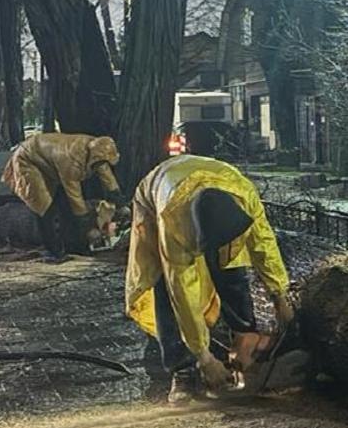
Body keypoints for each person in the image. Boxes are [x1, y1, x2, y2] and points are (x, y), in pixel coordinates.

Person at [124, 154, 294, 403]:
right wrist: (203, 356)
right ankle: (182, 368)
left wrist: (280, 295)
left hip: (210, 181)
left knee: (232, 265)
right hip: (156, 197)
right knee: (164, 286)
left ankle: (242, 340)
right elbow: (181, 291)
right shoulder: (172, 224)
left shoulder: (244, 198)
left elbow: (264, 246)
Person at [1, 132, 124, 263]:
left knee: (65, 206)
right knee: (44, 207)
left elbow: (106, 175)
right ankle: (53, 251)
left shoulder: (97, 150)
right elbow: (75, 197)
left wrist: (118, 199)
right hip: (28, 161)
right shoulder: (71, 159)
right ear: (94, 156)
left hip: (48, 162)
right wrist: (87, 225)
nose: (102, 165)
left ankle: (73, 247)